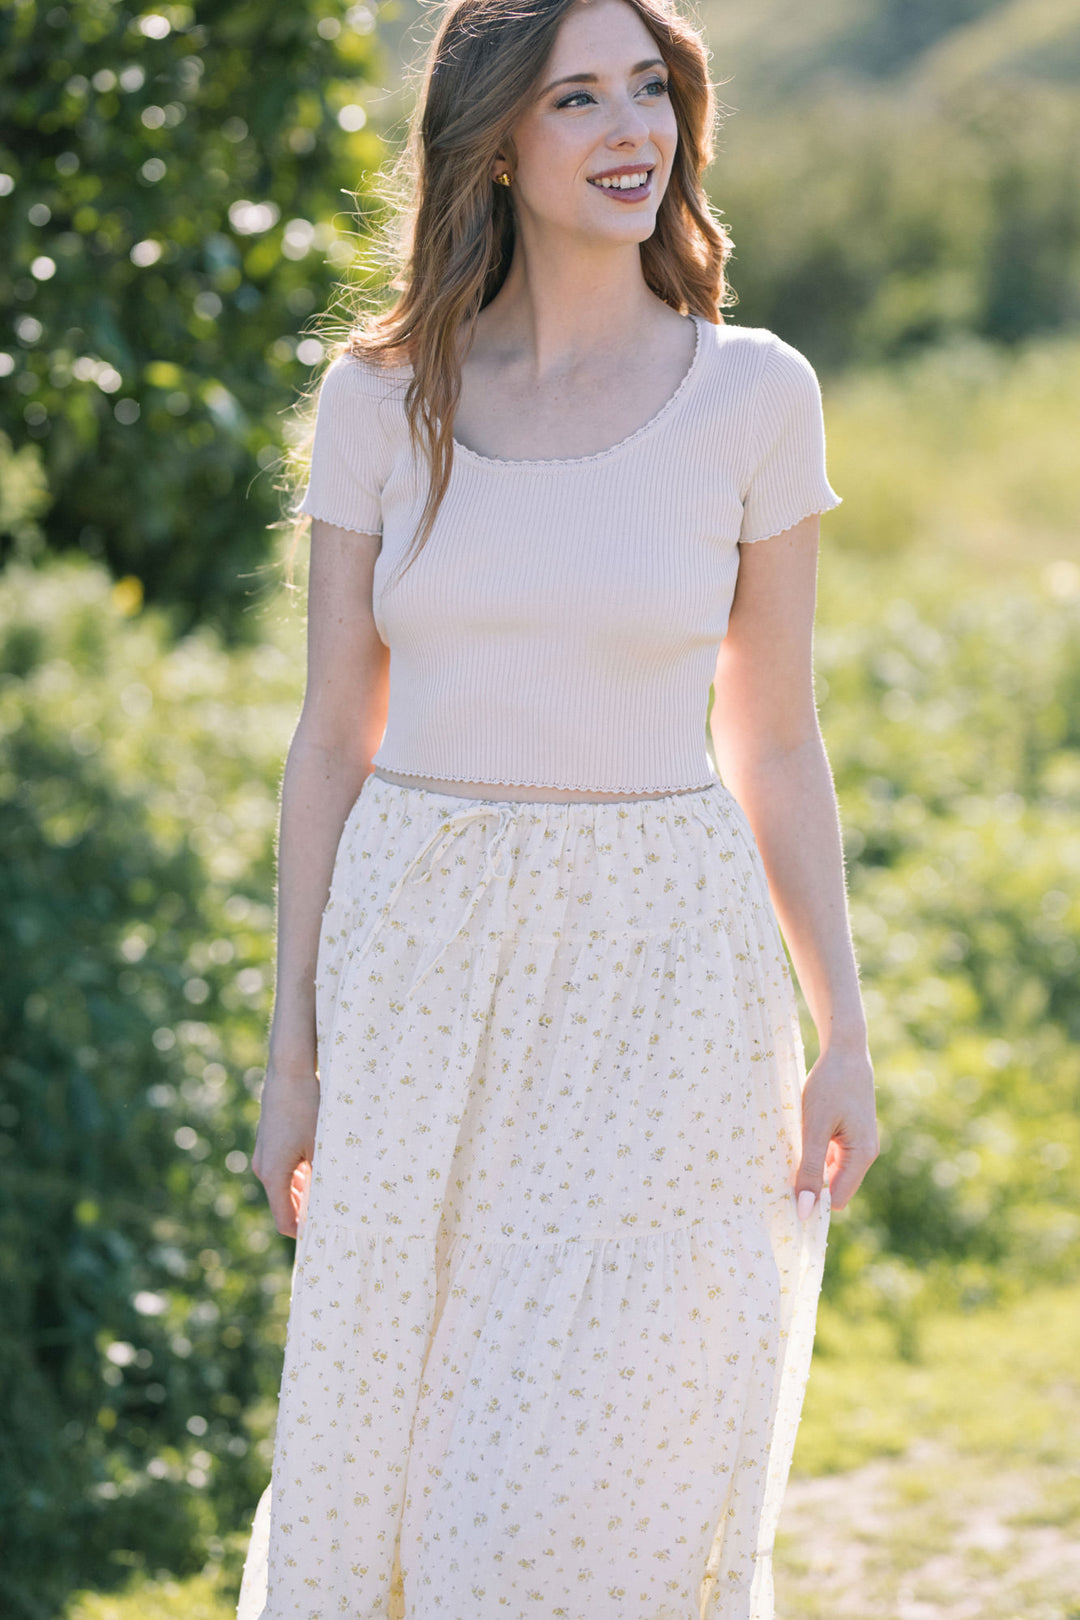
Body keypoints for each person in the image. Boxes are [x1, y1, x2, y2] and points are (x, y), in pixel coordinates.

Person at [237, 0, 878, 1615]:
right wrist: (291, 1055)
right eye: (577, 98)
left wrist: (843, 1029)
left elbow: (778, 740)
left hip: (665, 981)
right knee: (396, 1453)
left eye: (648, 89)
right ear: (496, 144)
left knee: (602, 1466)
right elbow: (331, 738)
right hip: (422, 973)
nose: (628, 131)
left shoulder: (753, 393)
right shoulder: (381, 398)